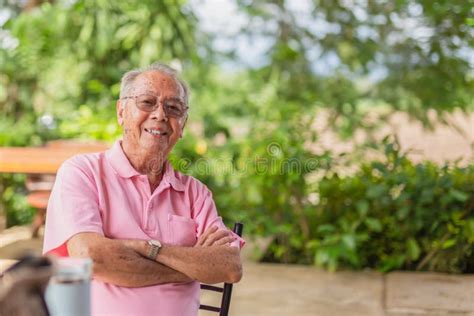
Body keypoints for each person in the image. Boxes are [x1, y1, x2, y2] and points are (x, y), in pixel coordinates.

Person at [42, 62, 244, 316]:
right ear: (121, 112)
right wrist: (191, 265)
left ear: (182, 124)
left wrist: (148, 249)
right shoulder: (82, 172)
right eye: (147, 102)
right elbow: (92, 257)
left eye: (173, 108)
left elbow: (230, 266)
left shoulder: (195, 193)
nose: (160, 115)